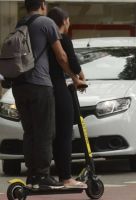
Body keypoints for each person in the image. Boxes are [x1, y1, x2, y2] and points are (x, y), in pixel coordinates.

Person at [12, 0, 84, 189]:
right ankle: (43, 176)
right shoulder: (46, 23)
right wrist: (75, 78)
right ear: (43, 5)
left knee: (31, 132)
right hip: (39, 85)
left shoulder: (21, 24)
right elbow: (61, 56)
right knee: (45, 132)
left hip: (19, 85)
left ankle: (32, 175)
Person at [47, 7, 87, 188]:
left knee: (47, 135)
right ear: (65, 21)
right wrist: (79, 77)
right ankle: (66, 177)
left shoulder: (43, 40)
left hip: (42, 89)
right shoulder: (62, 39)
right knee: (64, 133)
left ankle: (44, 175)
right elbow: (71, 60)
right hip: (58, 87)